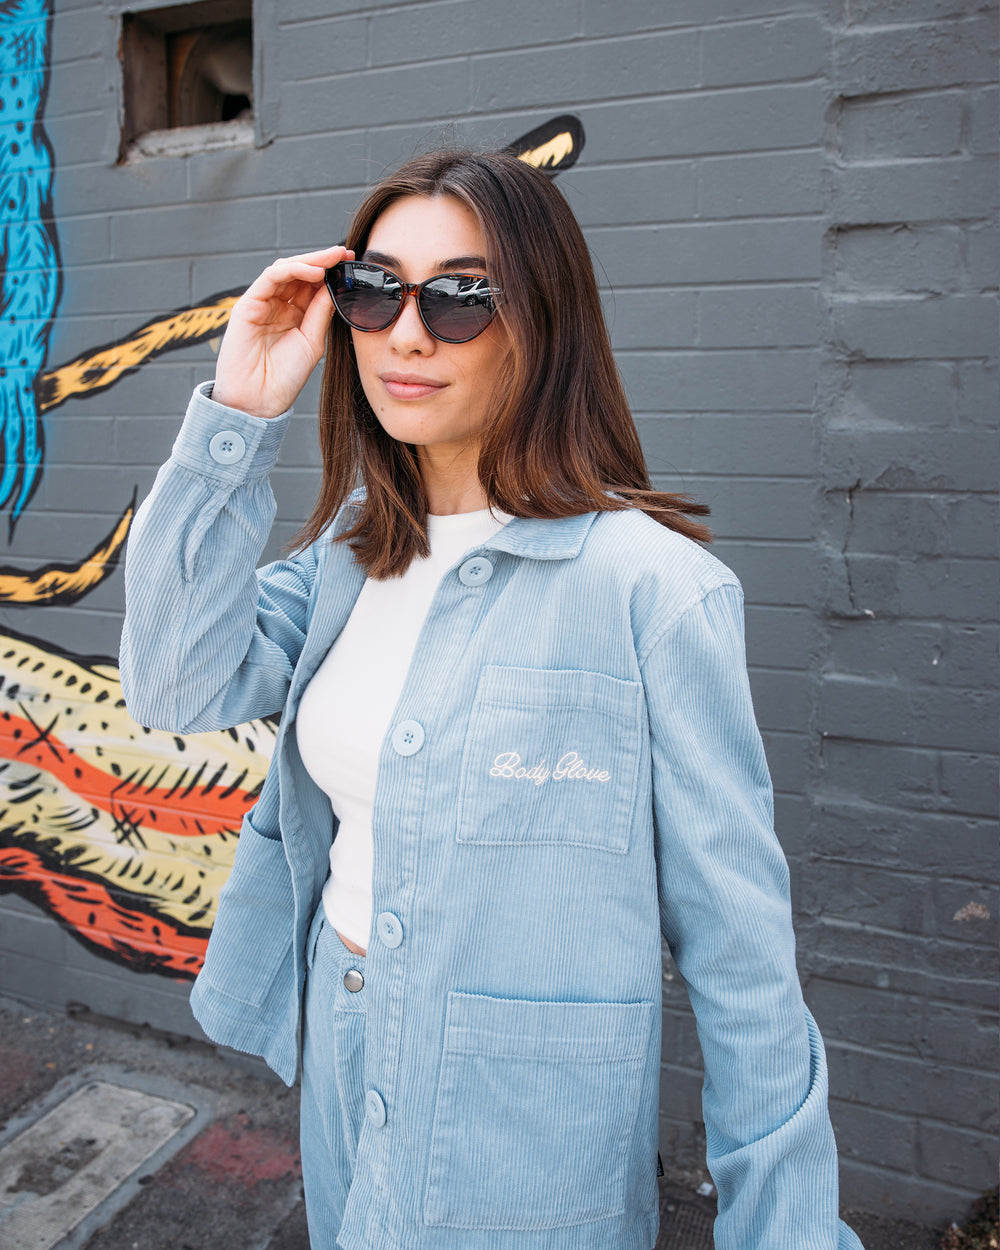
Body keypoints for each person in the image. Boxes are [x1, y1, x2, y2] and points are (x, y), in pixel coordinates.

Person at [120, 149, 864, 1250]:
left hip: (529, 1129)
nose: (408, 334)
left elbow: (741, 961)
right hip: (343, 1047)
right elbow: (174, 682)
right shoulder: (348, 559)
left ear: (541, 322)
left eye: (461, 297)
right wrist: (240, 408)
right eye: (375, 291)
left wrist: (786, 1230)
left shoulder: (653, 592)